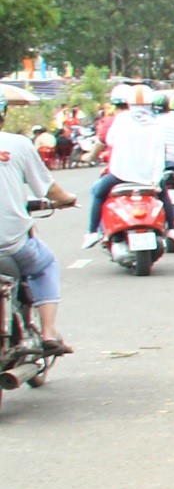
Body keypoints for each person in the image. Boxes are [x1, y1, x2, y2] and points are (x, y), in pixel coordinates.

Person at [0, 124, 76, 355]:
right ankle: (48, 334)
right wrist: (67, 199)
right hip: (11, 243)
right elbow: (47, 187)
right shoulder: (17, 143)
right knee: (45, 265)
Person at [85, 94, 164, 243]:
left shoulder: (120, 120)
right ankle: (172, 228)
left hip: (120, 174)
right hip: (147, 176)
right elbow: (159, 155)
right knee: (164, 197)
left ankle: (93, 232)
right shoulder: (155, 124)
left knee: (98, 193)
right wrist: (156, 180)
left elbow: (109, 140)